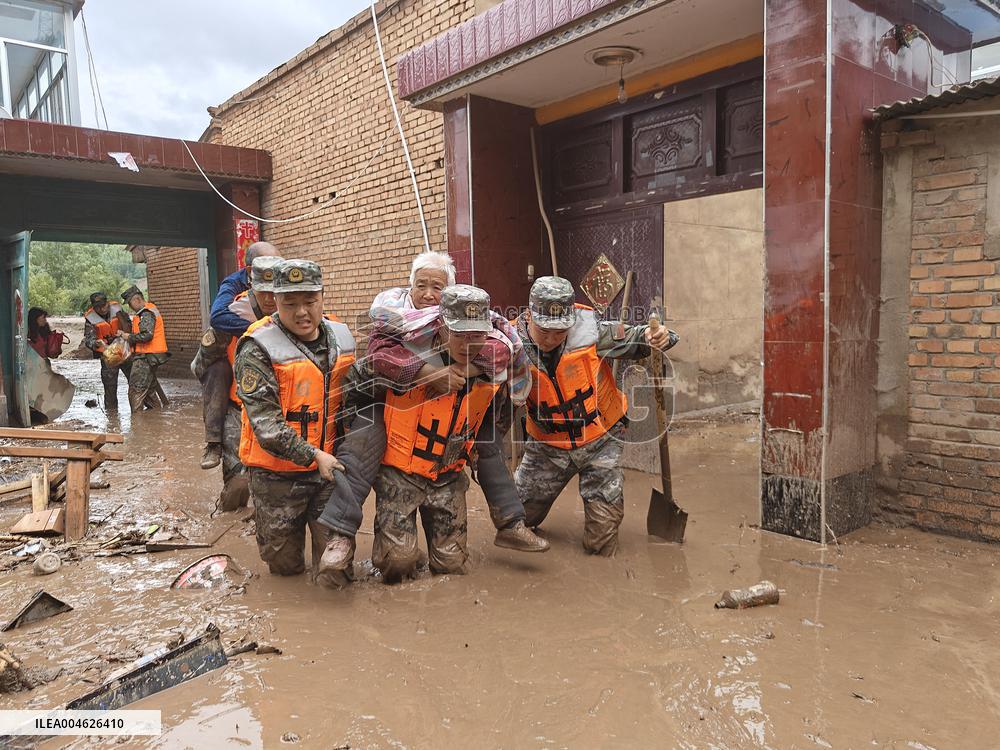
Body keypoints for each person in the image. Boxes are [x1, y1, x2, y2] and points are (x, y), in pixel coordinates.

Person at [315, 253, 544, 587]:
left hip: (446, 468)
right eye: (421, 285)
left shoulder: (489, 339)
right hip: (399, 462)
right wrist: (428, 373)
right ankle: (342, 535)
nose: (427, 294)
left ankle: (510, 523)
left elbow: (503, 353)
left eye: (437, 287)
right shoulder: (394, 325)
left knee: (452, 565)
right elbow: (373, 363)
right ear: (441, 325)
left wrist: (467, 370)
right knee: (396, 563)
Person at [513, 276, 678, 556]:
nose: (552, 339)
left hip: (601, 440)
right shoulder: (509, 345)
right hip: (547, 446)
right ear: (529, 316)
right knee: (516, 518)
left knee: (601, 544)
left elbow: (641, 337)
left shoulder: (592, 332)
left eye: (560, 331)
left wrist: (659, 336)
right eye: (545, 331)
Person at [234, 259, 354, 579]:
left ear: (322, 297)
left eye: (310, 301)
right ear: (275, 301)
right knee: (285, 568)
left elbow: (355, 402)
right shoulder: (256, 346)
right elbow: (266, 425)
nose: (302, 312)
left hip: (329, 473)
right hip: (276, 478)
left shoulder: (342, 337)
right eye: (290, 304)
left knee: (335, 570)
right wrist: (313, 455)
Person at [196, 241, 281, 470]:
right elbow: (218, 317)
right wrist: (258, 331)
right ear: (251, 271)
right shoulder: (234, 286)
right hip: (225, 348)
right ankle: (213, 442)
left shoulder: (284, 282)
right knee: (217, 372)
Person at [216, 256, 283, 512]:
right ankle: (229, 513)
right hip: (238, 406)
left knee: (274, 479)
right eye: (263, 291)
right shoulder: (234, 310)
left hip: (277, 410)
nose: (269, 298)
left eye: (274, 292)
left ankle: (260, 520)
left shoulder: (295, 311)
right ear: (251, 284)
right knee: (238, 478)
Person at [122, 286, 170, 412]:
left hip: (146, 357)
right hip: (150, 356)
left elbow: (147, 335)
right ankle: (155, 417)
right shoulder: (146, 312)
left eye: (130, 303)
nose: (130, 307)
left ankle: (137, 420)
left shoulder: (146, 313)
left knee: (136, 389)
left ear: (137, 300)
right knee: (149, 390)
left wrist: (128, 337)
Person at [83, 292, 131, 410]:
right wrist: (95, 343)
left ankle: (142, 412)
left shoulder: (118, 309)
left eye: (103, 305)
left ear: (107, 303)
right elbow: (88, 339)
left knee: (135, 382)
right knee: (110, 387)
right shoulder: (91, 318)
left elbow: (130, 326)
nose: (102, 309)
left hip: (125, 351)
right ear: (94, 307)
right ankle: (112, 415)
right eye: (98, 307)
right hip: (107, 356)